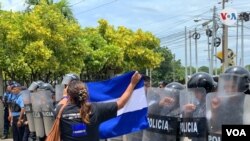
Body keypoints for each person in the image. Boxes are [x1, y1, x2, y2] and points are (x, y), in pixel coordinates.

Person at [56, 71, 141, 141]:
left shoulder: (61, 110)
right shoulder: (95, 109)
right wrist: (132, 84)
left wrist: (64, 96)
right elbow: (120, 103)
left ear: (69, 94)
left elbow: (61, 104)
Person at [180, 72, 216, 141]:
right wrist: (187, 114)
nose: (195, 94)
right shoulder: (197, 107)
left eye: (197, 91)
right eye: (194, 91)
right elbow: (188, 132)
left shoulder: (216, 106)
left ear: (207, 90)